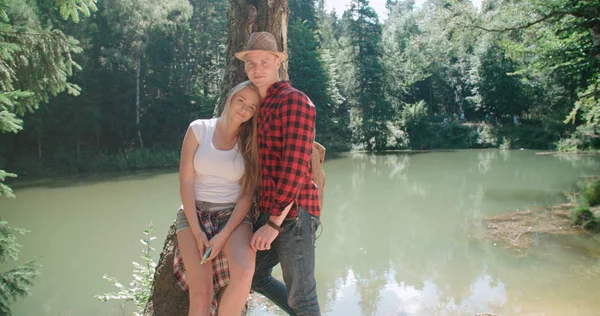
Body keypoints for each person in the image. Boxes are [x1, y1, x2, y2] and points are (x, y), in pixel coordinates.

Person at [234, 32, 322, 315]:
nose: (257, 69)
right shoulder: (259, 106)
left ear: (277, 63)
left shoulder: (293, 100)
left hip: (293, 215)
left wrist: (272, 224)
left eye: (264, 62)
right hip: (270, 211)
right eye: (251, 64)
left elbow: (295, 168)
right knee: (255, 275)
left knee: (303, 298)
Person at [174, 80, 260, 316]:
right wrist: (197, 230)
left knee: (243, 272)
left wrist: (223, 236)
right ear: (230, 99)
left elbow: (246, 195)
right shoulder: (198, 129)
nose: (244, 108)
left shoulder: (251, 143)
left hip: (231, 216)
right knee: (201, 292)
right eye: (241, 100)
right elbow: (186, 182)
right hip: (194, 213)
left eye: (251, 107)